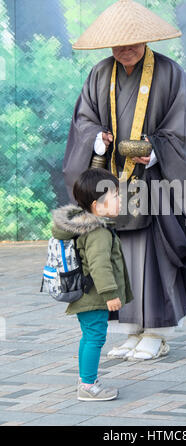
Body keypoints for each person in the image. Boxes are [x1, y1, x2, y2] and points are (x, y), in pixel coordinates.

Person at [63, 0, 186, 361]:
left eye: (133, 43)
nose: (126, 50)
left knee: (154, 255)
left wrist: (155, 151)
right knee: (117, 254)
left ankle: (157, 331)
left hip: (157, 185)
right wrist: (96, 138)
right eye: (119, 45)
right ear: (109, 44)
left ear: (146, 40)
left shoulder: (170, 74)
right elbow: (83, 119)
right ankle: (131, 330)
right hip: (113, 186)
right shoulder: (99, 75)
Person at [51, 167, 133, 401]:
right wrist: (110, 294)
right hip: (94, 296)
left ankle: (86, 380)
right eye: (115, 196)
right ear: (97, 206)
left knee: (90, 336)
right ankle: (87, 386)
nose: (119, 200)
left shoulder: (88, 226)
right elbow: (99, 265)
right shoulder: (98, 231)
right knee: (95, 337)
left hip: (87, 293)